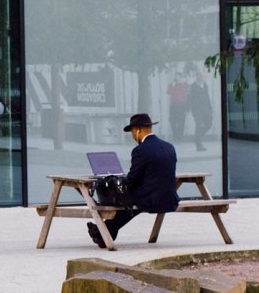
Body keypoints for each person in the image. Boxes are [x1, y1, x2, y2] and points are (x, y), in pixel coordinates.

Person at [87, 112, 178, 247]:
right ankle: (105, 231)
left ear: (138, 130)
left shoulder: (141, 150)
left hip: (152, 199)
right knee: (130, 198)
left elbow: (133, 179)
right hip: (170, 197)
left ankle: (103, 230)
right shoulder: (169, 147)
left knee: (122, 197)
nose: (133, 135)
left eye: (132, 131)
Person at [189, 66, 213, 152]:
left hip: (206, 109)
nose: (203, 78)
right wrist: (193, 111)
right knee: (199, 126)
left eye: (204, 76)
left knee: (209, 124)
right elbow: (191, 100)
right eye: (202, 76)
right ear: (198, 76)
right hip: (197, 110)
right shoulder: (193, 86)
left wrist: (210, 109)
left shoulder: (205, 85)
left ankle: (197, 137)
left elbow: (207, 97)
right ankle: (199, 145)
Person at [167, 70, 190, 139]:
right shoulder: (172, 84)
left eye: (177, 76)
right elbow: (168, 92)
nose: (176, 78)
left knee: (181, 121)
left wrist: (187, 107)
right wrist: (173, 85)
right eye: (175, 76)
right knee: (172, 120)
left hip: (182, 105)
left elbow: (188, 96)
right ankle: (176, 134)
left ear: (181, 77)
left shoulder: (185, 85)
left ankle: (180, 136)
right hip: (173, 105)